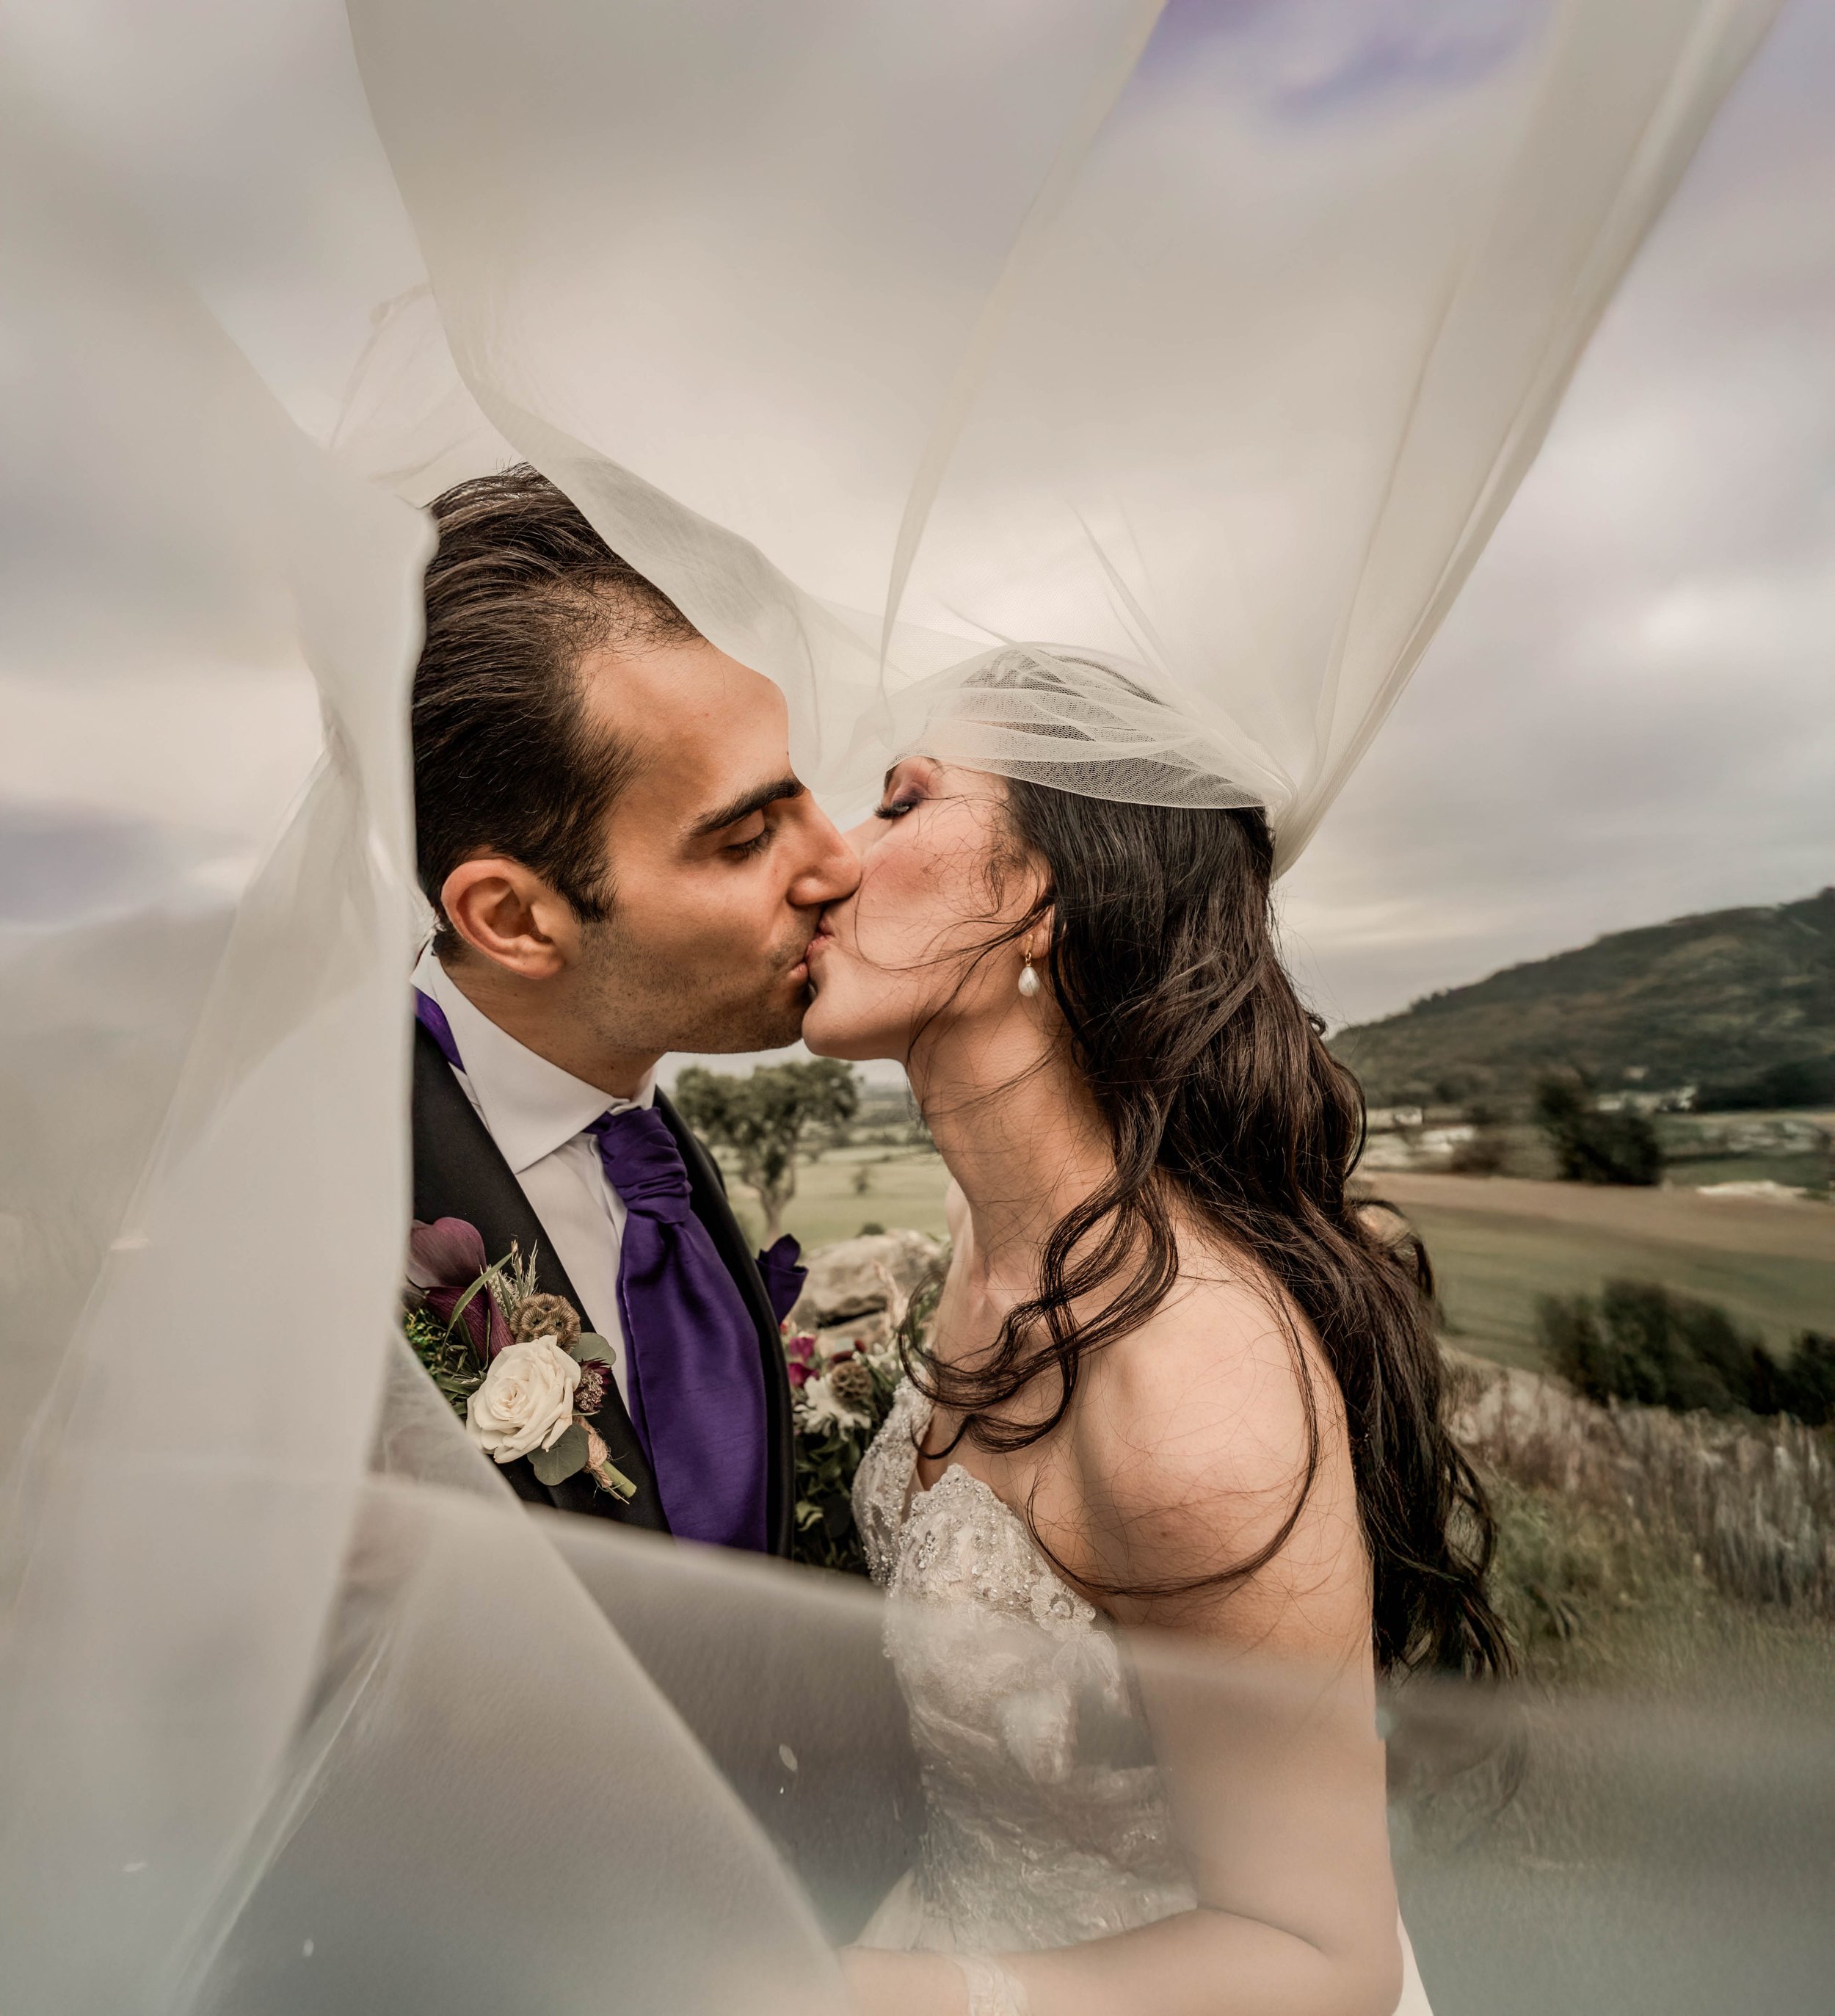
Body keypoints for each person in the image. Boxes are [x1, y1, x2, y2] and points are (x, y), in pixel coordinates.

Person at [798, 661, 1513, 2015]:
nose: (834, 854)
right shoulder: (990, 1233)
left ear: (1037, 897)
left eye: (901, 804)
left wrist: (874, 1996)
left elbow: (1324, 1959)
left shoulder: (1193, 1385)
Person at [407, 465, 859, 1553]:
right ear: (513, 917)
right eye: (747, 839)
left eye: (804, 793)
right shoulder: (320, 1214)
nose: (839, 859)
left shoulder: (650, 1154)